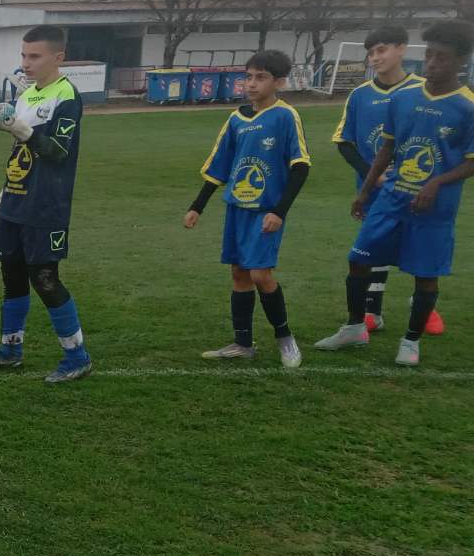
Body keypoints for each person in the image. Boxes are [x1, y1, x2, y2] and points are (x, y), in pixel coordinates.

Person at [313, 20, 474, 367]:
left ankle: (410, 341)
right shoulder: (403, 98)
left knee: (425, 274)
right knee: (358, 260)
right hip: (391, 199)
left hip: (433, 208)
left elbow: (471, 161)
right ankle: (355, 327)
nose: (432, 64)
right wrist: (365, 191)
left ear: (461, 61)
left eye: (441, 58)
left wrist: (436, 182)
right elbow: (386, 149)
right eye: (429, 55)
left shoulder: (468, 106)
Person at [0, 25, 92, 384]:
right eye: (23, 55)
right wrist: (3, 194)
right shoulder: (28, 96)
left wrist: (21, 128)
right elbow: (19, 154)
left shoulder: (66, 96)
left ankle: (77, 357)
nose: (26, 63)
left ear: (58, 57)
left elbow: (58, 151)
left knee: (45, 278)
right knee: (11, 275)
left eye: (35, 56)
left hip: (45, 205)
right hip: (16, 201)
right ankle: (10, 350)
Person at [184, 50, 308, 367]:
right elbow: (219, 166)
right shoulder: (236, 119)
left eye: (260, 77)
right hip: (237, 208)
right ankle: (242, 343)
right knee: (239, 274)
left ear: (279, 82)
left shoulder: (285, 116)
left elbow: (300, 167)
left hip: (266, 212)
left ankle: (285, 339)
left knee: (260, 274)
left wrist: (279, 211)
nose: (251, 84)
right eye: (248, 77)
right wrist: (197, 206)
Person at [330, 25, 438, 334]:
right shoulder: (360, 95)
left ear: (401, 48)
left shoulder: (425, 89)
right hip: (374, 189)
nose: (375, 58)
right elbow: (344, 142)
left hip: (415, 188)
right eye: (371, 53)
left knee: (419, 244)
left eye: (381, 50)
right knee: (373, 246)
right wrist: (372, 176)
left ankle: (426, 307)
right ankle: (372, 310)